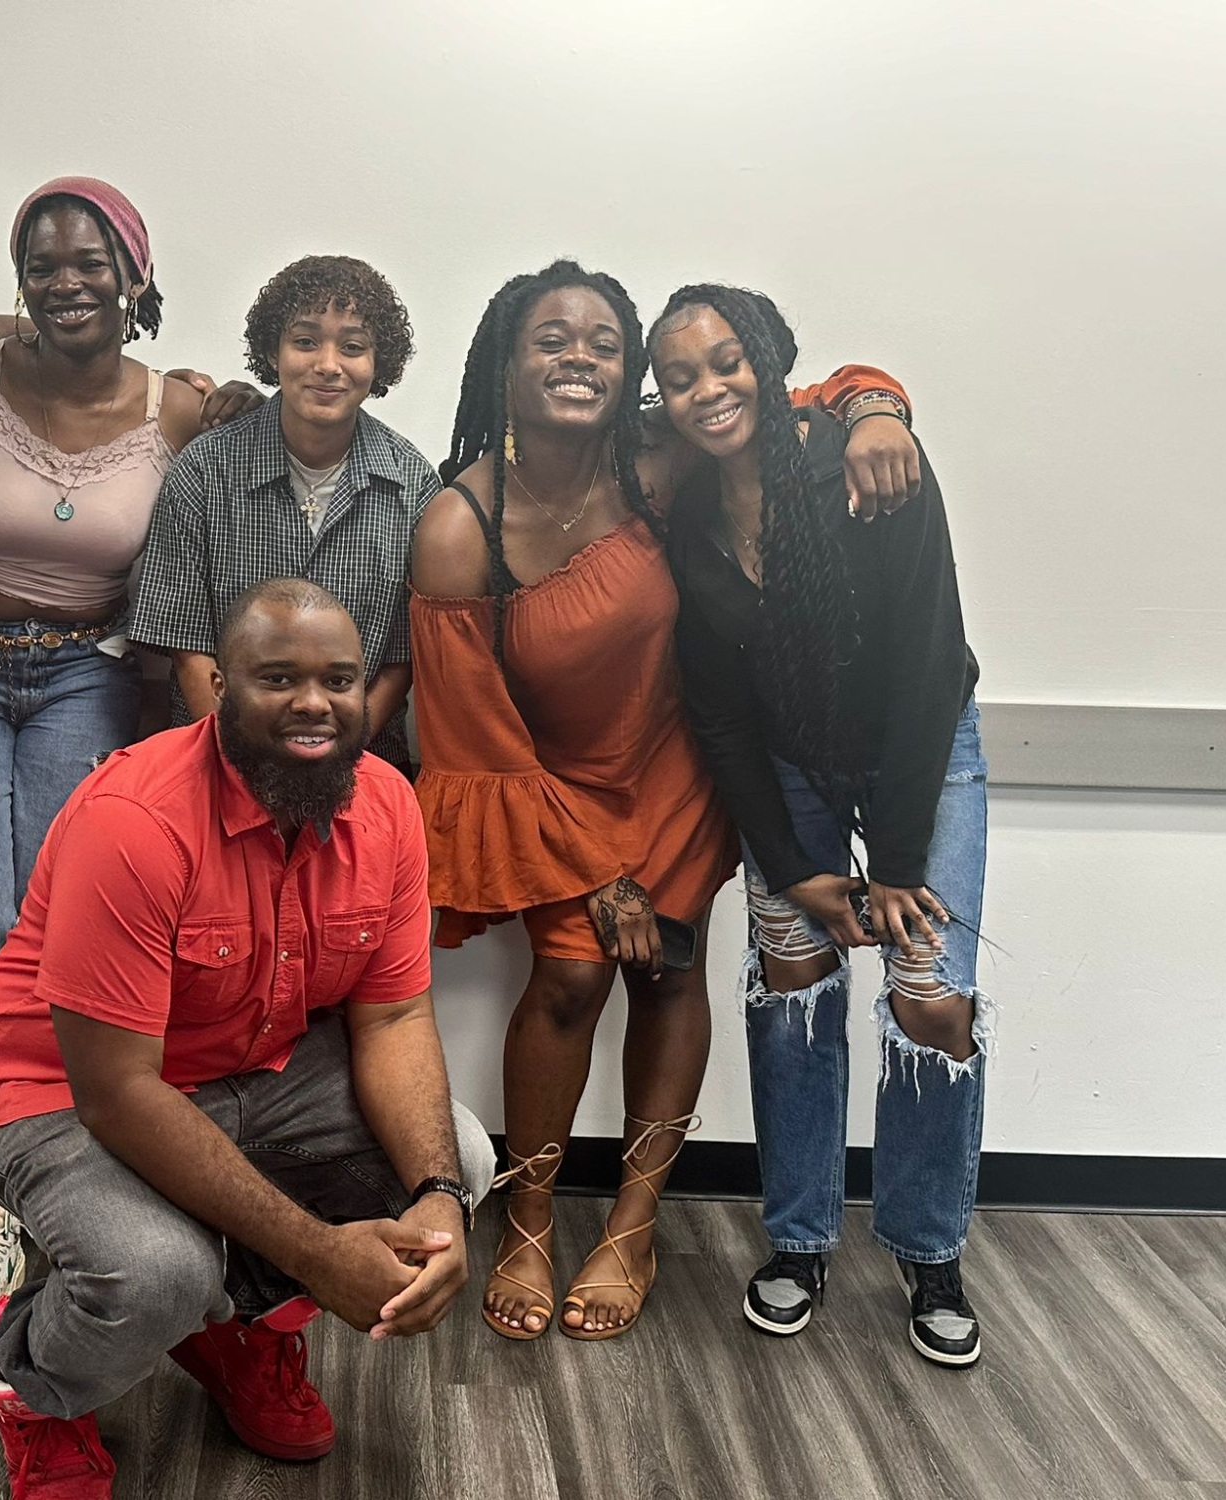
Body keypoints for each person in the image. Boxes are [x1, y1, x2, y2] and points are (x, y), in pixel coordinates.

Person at [408, 259, 918, 1341]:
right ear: (503, 364)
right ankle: (532, 1221)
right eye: (550, 339)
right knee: (567, 976)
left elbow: (790, 392)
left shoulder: (658, 455)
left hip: (677, 772)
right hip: (548, 790)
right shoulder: (458, 525)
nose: (577, 357)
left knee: (667, 967)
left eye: (601, 340)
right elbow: (474, 740)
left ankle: (632, 1224)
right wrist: (595, 871)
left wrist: (879, 407)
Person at [0, 580, 494, 1499]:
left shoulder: (388, 807)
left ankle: (244, 1329)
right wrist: (319, 1253)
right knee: (159, 1274)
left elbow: (392, 1017)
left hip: (249, 1067)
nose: (314, 703)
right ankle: (31, 1380)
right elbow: (118, 1091)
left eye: (339, 679)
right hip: (57, 1087)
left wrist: (437, 1196)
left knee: (461, 1162)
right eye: (277, 677)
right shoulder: (136, 819)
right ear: (216, 686)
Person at [0, 177, 250, 1361]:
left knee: (55, 934)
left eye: (90, 260)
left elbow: (241, 504)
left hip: (87, 678)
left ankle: (25, 1169)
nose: (66, 280)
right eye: (41, 263)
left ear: (134, 277)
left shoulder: (181, 407)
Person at [652, 284, 988, 1367]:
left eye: (723, 362)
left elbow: (928, 670)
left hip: (919, 756)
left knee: (926, 996)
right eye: (678, 376)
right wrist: (790, 865)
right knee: (791, 986)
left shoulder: (863, 462)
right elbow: (715, 709)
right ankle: (797, 1239)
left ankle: (928, 1251)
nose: (706, 390)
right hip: (786, 768)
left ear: (766, 358)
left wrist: (889, 867)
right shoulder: (685, 510)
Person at [130, 255, 439, 774]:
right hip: (217, 758)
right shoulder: (206, 470)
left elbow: (401, 659)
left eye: (354, 346)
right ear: (272, 352)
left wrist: (338, 754)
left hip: (360, 763)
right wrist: (238, 764)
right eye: (305, 341)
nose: (328, 363)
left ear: (377, 363)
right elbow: (188, 648)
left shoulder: (413, 484)